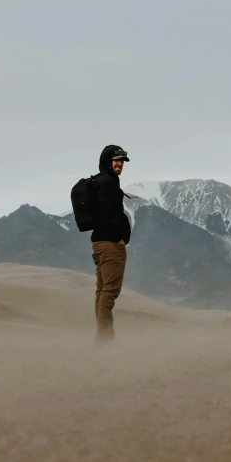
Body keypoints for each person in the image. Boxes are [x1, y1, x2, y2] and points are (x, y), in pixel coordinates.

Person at [91, 145, 132, 344]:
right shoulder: (107, 183)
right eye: (116, 160)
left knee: (102, 291)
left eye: (122, 161)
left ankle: (103, 336)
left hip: (99, 242)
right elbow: (110, 214)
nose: (120, 164)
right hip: (110, 244)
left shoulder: (102, 181)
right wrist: (120, 237)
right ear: (107, 161)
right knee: (109, 292)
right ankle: (105, 339)